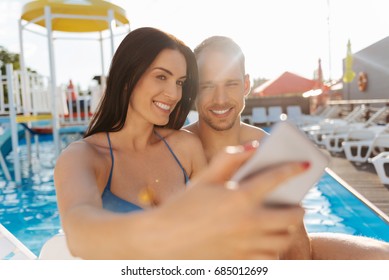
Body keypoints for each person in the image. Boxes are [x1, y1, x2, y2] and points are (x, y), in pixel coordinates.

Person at [53, 27, 307, 259]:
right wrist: (164, 229)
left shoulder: (184, 146)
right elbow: (79, 232)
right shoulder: (83, 156)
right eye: (161, 77)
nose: (174, 94)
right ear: (128, 76)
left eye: (180, 83)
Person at [185, 35, 389, 260]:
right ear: (194, 89)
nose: (220, 99)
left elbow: (295, 237)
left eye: (230, 84)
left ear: (246, 85)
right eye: (207, 86)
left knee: (382, 256)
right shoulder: (177, 148)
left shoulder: (269, 148)